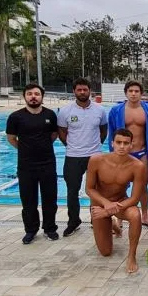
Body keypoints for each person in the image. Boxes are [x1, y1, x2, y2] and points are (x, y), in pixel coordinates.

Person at [85, 129, 146, 274]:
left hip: (120, 202)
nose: (122, 146)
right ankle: (114, 226)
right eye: (119, 142)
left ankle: (132, 256)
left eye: (126, 143)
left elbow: (135, 198)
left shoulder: (137, 166)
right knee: (105, 252)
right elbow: (89, 189)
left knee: (135, 215)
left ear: (132, 145)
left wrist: (109, 209)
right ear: (112, 143)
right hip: (99, 204)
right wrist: (105, 204)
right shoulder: (96, 160)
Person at [6, 83, 59, 244]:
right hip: (26, 166)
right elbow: (11, 138)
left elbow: (54, 135)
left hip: (47, 163)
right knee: (28, 200)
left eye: (36, 94)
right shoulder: (16, 117)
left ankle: (50, 228)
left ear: (42, 97)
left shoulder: (50, 115)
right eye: (30, 94)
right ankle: (31, 230)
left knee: (50, 199)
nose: (33, 97)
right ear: (25, 97)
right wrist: (25, 149)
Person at [57, 77, 108, 237]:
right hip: (73, 156)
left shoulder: (99, 110)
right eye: (79, 89)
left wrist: (95, 146)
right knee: (72, 191)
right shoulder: (65, 111)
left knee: (97, 190)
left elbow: (103, 131)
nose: (82, 92)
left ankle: (96, 219)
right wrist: (73, 146)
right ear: (74, 91)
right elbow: (62, 133)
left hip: (95, 156)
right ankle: (73, 221)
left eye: (85, 89)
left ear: (90, 91)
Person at [108, 80, 148, 226]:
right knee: (118, 185)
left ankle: (144, 215)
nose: (134, 94)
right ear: (126, 93)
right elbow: (112, 133)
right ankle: (119, 216)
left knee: (142, 186)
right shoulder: (116, 111)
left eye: (136, 91)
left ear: (141, 94)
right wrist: (114, 153)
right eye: (131, 91)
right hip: (122, 154)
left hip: (141, 153)